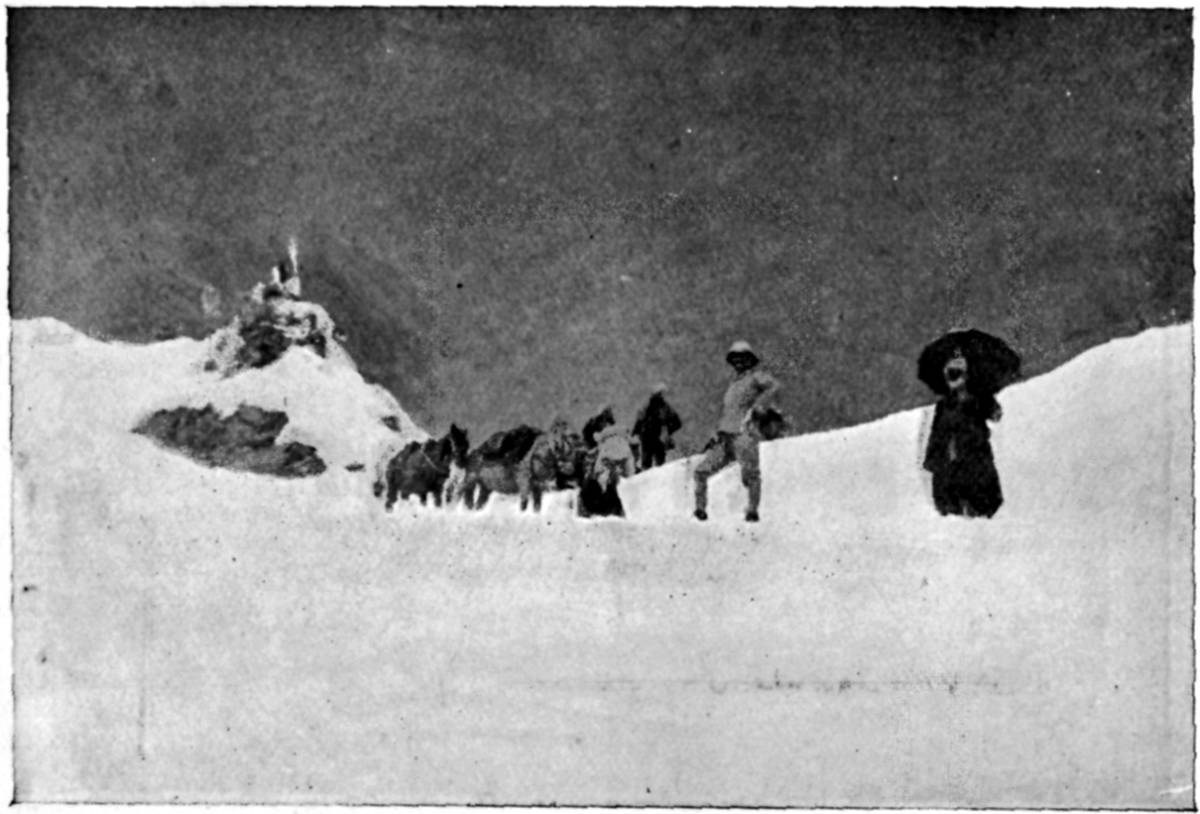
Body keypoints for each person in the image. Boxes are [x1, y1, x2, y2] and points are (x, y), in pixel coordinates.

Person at [693, 340, 780, 523]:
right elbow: (727, 411)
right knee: (701, 471)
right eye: (735, 359)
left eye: (743, 359)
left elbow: (773, 386)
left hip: (744, 434)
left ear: (750, 360)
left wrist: (757, 406)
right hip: (725, 437)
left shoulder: (755, 377)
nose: (739, 362)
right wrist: (716, 434)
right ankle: (700, 511)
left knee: (751, 475)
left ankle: (752, 511)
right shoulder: (733, 385)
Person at [922, 352, 1004, 518]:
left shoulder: (978, 396)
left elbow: (996, 414)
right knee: (950, 501)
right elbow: (937, 431)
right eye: (949, 373)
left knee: (980, 495)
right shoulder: (944, 403)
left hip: (974, 454)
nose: (951, 378)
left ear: (966, 375)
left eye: (956, 373)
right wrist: (933, 458)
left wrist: (985, 398)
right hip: (950, 457)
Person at [632, 383, 683, 471]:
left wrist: (667, 431)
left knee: (650, 465)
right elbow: (677, 423)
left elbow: (638, 423)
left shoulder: (651, 407)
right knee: (656, 465)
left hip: (651, 439)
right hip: (653, 439)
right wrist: (667, 431)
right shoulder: (663, 407)